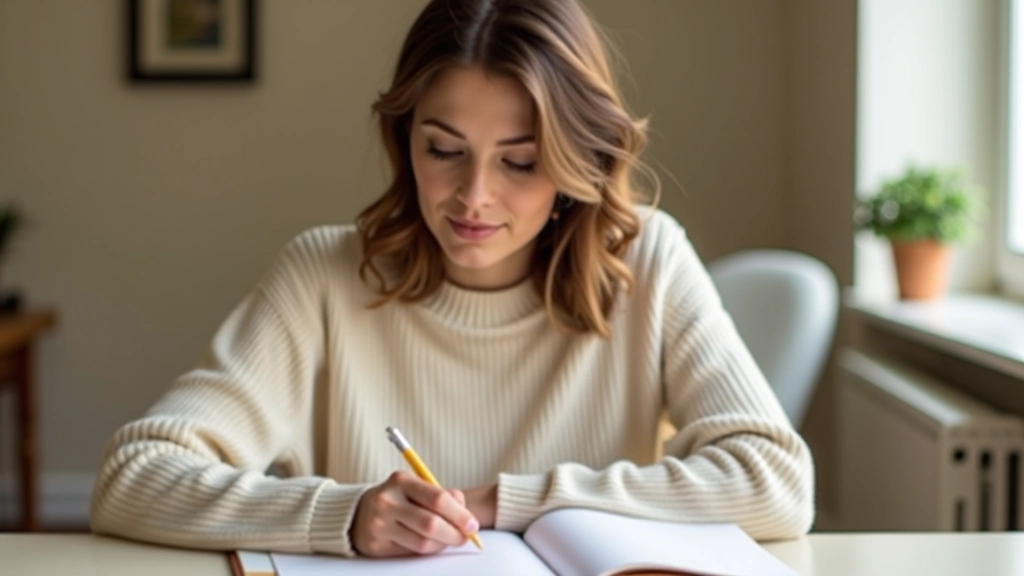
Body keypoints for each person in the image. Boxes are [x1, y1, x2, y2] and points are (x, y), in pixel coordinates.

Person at [90, 0, 814, 558]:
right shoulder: (323, 275)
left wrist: (513, 500)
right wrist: (339, 517)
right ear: (405, 140)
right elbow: (132, 476)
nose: (473, 196)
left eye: (520, 162)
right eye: (444, 149)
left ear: (573, 163)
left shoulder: (646, 259)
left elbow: (776, 483)